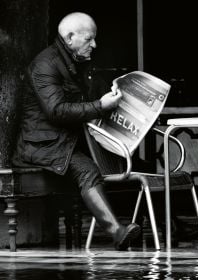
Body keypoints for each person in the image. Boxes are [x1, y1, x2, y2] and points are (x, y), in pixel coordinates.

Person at [12, 12, 141, 250]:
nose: (95, 45)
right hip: (41, 145)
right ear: (70, 37)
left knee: (131, 161)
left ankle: (156, 224)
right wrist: (100, 106)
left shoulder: (74, 61)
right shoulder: (45, 64)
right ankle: (118, 232)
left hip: (65, 140)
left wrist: (112, 93)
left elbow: (84, 99)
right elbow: (56, 110)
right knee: (87, 170)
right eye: (89, 39)